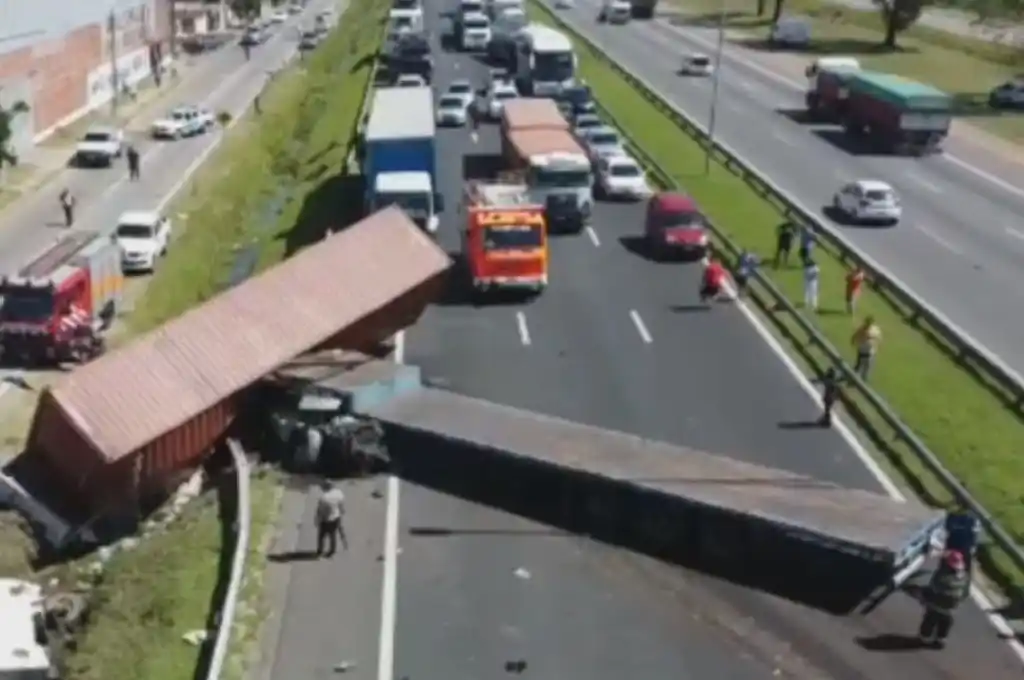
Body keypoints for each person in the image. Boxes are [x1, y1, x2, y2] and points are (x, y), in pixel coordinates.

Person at [918, 549, 971, 648]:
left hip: (936, 604)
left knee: (930, 620)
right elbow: (965, 593)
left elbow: (933, 587)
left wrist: (923, 597)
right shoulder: (964, 577)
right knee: (945, 623)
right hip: (951, 608)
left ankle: (925, 637)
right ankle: (941, 639)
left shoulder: (941, 574)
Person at [315, 480, 348, 557]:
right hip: (336, 517)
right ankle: (332, 550)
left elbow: (320, 510)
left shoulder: (323, 497)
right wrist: (341, 510)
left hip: (326, 519)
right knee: (333, 535)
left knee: (321, 536)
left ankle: (320, 550)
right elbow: (341, 503)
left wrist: (317, 520)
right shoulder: (338, 493)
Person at [851, 316, 882, 381]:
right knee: (858, 367)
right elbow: (855, 335)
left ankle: (863, 380)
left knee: (867, 368)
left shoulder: (875, 330)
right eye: (867, 322)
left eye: (869, 323)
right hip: (862, 351)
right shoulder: (861, 329)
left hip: (870, 353)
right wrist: (853, 341)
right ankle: (854, 379)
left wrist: (878, 346)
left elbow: (879, 338)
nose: (868, 324)